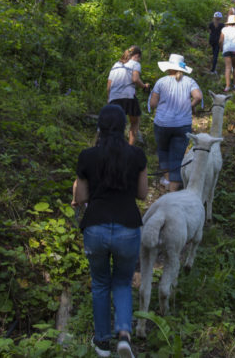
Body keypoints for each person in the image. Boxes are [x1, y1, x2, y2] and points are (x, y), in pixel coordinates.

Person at [73, 104, 148, 358]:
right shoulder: (137, 155)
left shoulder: (87, 156)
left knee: (101, 283)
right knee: (124, 283)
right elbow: (142, 193)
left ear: (100, 128)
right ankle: (124, 334)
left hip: (96, 227)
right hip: (128, 226)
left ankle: (103, 342)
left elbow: (81, 196)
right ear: (124, 127)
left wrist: (79, 195)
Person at [149, 54, 202, 192]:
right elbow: (198, 96)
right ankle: (173, 191)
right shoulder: (189, 82)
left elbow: (153, 103)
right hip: (182, 124)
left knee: (163, 150)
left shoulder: (161, 82)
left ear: (169, 67)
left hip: (162, 123)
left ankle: (167, 180)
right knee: (177, 157)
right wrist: (190, 105)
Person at [107, 46, 150, 145]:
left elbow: (109, 84)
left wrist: (109, 98)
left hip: (114, 97)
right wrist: (144, 86)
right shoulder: (135, 64)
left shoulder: (116, 65)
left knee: (116, 123)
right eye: (140, 58)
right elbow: (135, 79)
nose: (139, 60)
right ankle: (130, 147)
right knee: (135, 122)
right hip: (128, 96)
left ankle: (113, 145)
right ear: (136, 56)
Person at [219, 11, 235, 92]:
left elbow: (220, 41)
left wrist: (221, 48)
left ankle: (227, 86)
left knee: (227, 68)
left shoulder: (224, 29)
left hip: (226, 49)